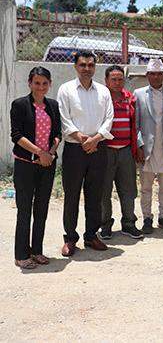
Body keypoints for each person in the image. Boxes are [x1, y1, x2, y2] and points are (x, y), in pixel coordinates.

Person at [57, 50, 114, 256]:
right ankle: (70, 238)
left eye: (90, 65)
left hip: (98, 148)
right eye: (83, 65)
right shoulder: (66, 90)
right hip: (75, 149)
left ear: (95, 67)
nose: (87, 69)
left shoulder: (103, 91)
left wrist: (96, 139)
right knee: (72, 195)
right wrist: (83, 138)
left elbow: (109, 118)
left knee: (95, 194)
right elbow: (64, 119)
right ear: (75, 66)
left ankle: (91, 235)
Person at [10, 67, 61, 269]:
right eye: (37, 83)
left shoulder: (53, 105)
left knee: (41, 209)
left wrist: (50, 152)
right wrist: (39, 153)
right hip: (25, 164)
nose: (41, 87)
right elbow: (16, 135)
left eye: (45, 83)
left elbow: (58, 133)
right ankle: (21, 254)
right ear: (29, 83)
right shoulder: (20, 105)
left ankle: (36, 250)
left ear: (49, 84)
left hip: (47, 164)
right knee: (25, 210)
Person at [134, 59, 163, 234]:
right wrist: (138, 146)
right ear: (147, 76)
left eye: (159, 74)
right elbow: (136, 123)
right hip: (147, 148)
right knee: (145, 187)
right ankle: (146, 218)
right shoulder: (138, 94)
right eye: (152, 74)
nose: (156, 77)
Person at [99, 66, 142, 240]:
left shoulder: (129, 99)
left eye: (120, 79)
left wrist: (137, 148)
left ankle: (129, 223)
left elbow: (136, 125)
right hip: (106, 152)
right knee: (104, 191)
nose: (117, 82)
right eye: (113, 79)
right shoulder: (101, 99)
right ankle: (105, 225)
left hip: (126, 152)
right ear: (106, 81)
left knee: (128, 190)